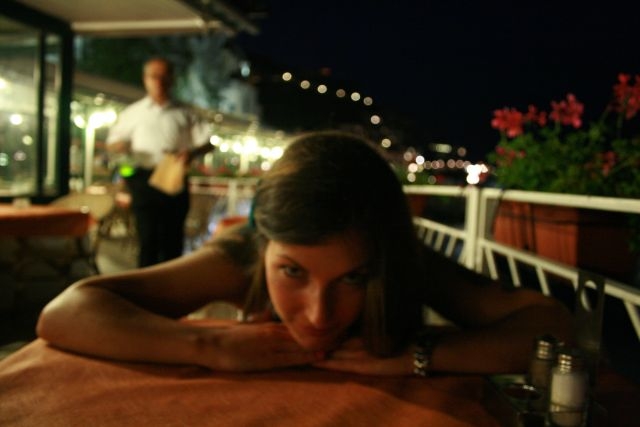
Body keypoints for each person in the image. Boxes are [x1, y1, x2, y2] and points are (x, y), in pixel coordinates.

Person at [37, 131, 572, 376]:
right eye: (293, 272)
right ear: (264, 244)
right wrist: (208, 345)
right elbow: (67, 312)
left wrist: (420, 357)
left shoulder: (399, 255)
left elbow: (556, 327)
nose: (319, 315)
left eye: (354, 278)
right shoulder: (240, 256)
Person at [106, 57, 213, 267]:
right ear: (145, 79)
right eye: (154, 76)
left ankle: (169, 281)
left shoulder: (186, 112)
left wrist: (191, 153)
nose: (159, 82)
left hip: (173, 177)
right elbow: (112, 143)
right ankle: (146, 280)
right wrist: (121, 146)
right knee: (147, 237)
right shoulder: (133, 112)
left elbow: (207, 143)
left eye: (164, 76)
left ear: (172, 79)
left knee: (173, 238)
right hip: (143, 178)